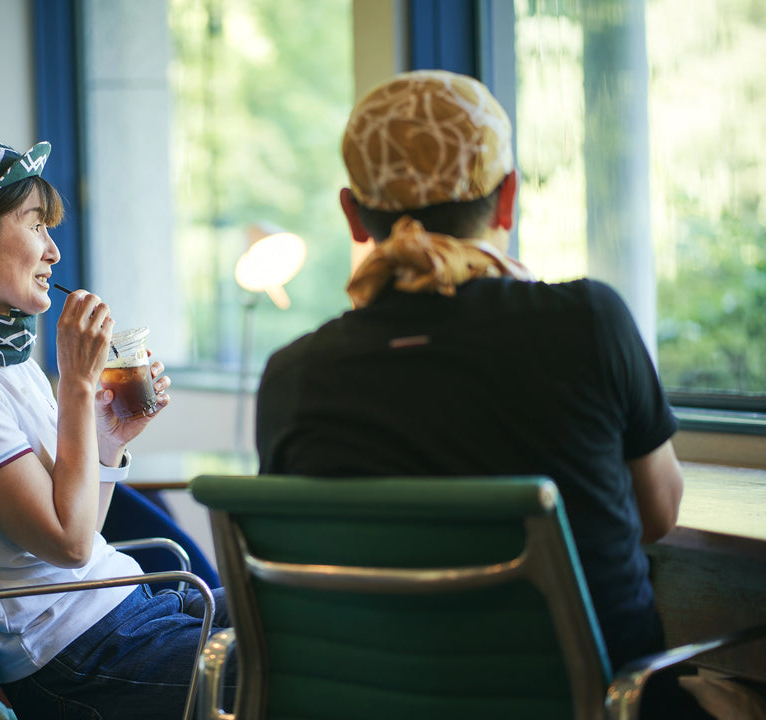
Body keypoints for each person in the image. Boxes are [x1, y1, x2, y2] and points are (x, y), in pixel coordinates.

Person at [254, 71, 707, 718]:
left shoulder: (292, 376)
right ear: (508, 200)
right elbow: (657, 515)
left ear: (354, 215)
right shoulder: (589, 322)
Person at [0, 135, 232, 719]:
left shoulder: (2, 357)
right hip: (78, 658)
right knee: (302, 663)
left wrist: (111, 436)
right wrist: (75, 383)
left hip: (123, 608)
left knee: (294, 613)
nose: (53, 251)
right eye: (35, 225)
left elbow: (82, 526)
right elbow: (68, 545)